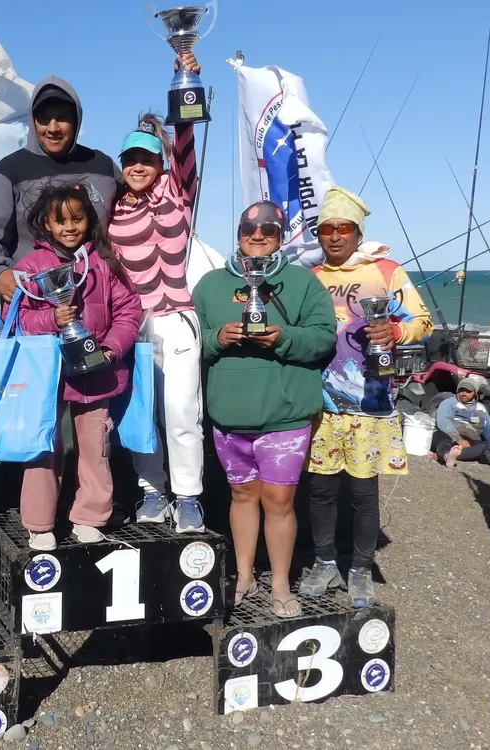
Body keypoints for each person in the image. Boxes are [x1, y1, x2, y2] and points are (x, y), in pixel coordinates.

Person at [193, 201, 336, 617]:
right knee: (241, 496)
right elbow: (191, 341)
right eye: (248, 229)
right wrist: (216, 337)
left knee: (278, 501)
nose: (257, 236)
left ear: (280, 236)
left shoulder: (303, 283)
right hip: (229, 413)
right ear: (238, 233)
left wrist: (284, 338)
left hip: (284, 415)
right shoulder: (209, 285)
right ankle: (244, 576)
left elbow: (324, 338)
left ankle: (279, 584)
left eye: (268, 230)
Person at [301, 186, 433, 608]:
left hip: (371, 403)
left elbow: (423, 321)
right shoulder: (311, 277)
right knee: (320, 491)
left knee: (363, 492)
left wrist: (395, 331)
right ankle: (324, 562)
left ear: (358, 233)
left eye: (344, 228)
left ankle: (360, 569)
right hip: (320, 405)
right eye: (327, 229)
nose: (335, 236)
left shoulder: (387, 271)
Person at [9, 183, 142, 549]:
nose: (70, 227)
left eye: (78, 219)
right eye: (61, 221)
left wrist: (111, 350)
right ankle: (40, 523)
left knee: (95, 446)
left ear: (89, 220)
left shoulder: (105, 262)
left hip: (97, 373)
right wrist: (51, 319)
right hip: (47, 376)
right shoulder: (29, 267)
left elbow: (129, 311)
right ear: (46, 224)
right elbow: (16, 317)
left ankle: (91, 516)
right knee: (44, 447)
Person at [108, 51, 205, 534]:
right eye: (131, 159)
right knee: (141, 411)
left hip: (178, 317)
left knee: (182, 411)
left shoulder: (177, 191)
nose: (138, 166)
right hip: (135, 322)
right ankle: (152, 491)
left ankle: (188, 497)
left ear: (159, 161)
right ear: (122, 164)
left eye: (147, 159)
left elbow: (185, 145)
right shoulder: (110, 208)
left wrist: (184, 81)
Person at [0, 77, 121, 302]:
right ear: (32, 121)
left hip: (101, 299)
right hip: (37, 302)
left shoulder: (103, 166)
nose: (53, 128)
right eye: (44, 119)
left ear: (76, 120)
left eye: (62, 118)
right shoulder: (8, 171)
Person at [433, 378, 490, 468]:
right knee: (438, 436)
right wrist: (458, 439)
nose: (464, 393)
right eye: (461, 390)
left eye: (468, 391)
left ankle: (456, 454)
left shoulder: (481, 408)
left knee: (487, 446)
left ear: (475, 393)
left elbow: (489, 430)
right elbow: (443, 421)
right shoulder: (448, 403)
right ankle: (447, 456)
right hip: (451, 437)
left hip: (470, 442)